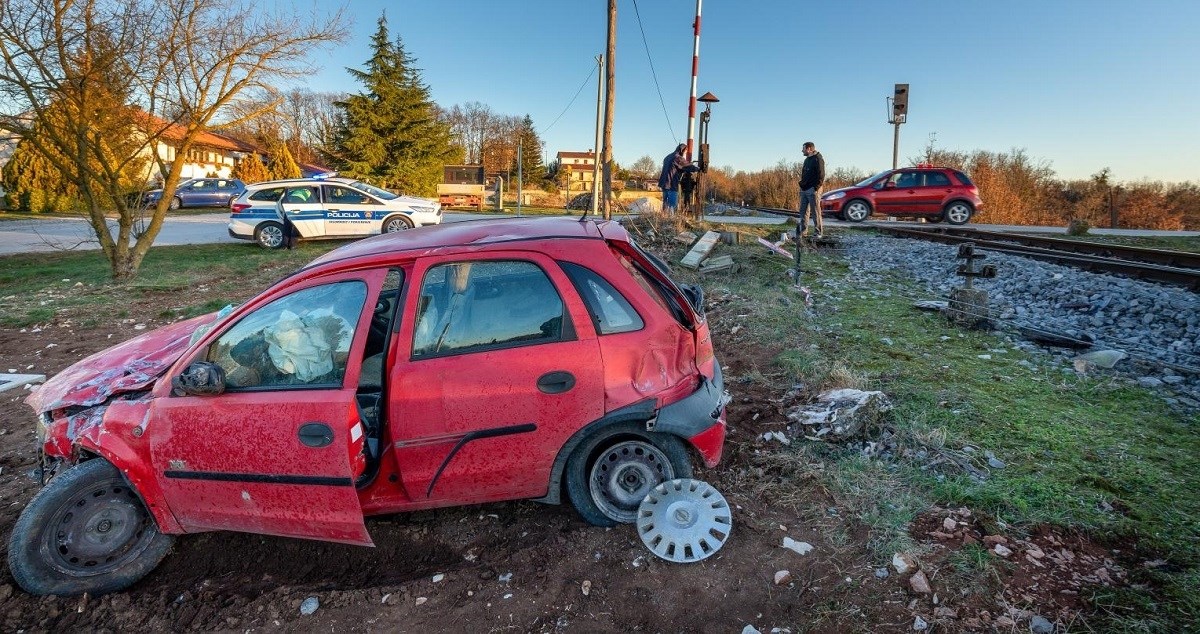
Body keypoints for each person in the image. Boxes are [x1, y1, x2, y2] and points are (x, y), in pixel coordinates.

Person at [797, 141, 826, 238]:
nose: (802, 151)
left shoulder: (818, 159)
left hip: (813, 190)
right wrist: (801, 185)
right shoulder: (806, 160)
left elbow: (821, 175)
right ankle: (803, 232)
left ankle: (818, 232)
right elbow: (804, 174)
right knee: (803, 211)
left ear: (809, 149)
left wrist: (816, 188)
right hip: (804, 189)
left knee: (815, 211)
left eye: (803, 148)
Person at [658, 143, 688, 213]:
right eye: (685, 152)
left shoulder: (667, 157)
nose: (685, 154)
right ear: (682, 150)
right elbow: (687, 166)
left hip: (663, 184)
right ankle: (672, 220)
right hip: (671, 184)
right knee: (672, 207)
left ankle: (664, 219)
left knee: (665, 205)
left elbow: (673, 168)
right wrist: (697, 168)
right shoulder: (678, 157)